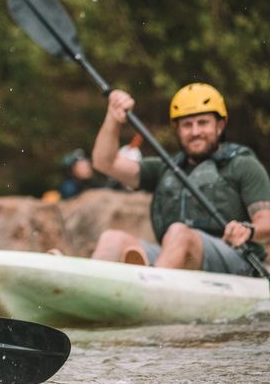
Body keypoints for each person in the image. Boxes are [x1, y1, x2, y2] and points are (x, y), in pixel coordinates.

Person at [90, 82, 270, 273]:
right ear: (177, 129)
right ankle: (84, 290)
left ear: (220, 125)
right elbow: (104, 162)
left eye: (203, 123)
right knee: (112, 239)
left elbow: (266, 220)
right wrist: (113, 117)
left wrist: (248, 230)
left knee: (179, 233)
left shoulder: (242, 165)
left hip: (236, 260)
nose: (195, 132)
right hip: (173, 256)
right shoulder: (165, 169)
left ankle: (150, 289)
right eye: (187, 125)